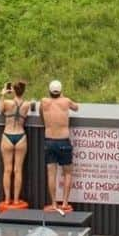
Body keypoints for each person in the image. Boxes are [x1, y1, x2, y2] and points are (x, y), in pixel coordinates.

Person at [40, 80, 78, 213]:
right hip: (63, 141)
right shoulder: (66, 101)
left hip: (49, 140)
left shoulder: (44, 101)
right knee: (67, 173)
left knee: (52, 174)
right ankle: (65, 203)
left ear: (49, 91)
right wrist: (63, 97)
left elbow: (41, 114)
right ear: (61, 91)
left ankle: (54, 203)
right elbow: (76, 107)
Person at [0, 81, 34, 206]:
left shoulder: (8, 103)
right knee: (18, 170)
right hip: (21, 136)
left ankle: (7, 199)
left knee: (7, 170)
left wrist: (3, 94)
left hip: (8, 135)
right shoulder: (27, 105)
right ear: (23, 91)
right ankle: (16, 199)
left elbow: (0, 110)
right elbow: (34, 106)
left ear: (13, 90)